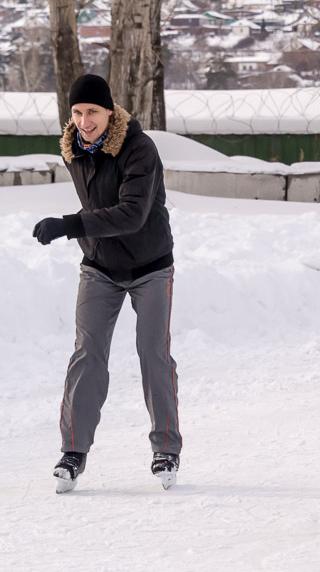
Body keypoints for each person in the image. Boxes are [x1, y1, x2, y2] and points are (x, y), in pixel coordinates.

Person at [32, 74, 182, 492]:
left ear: (110, 111)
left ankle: (166, 449)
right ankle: (73, 451)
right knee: (88, 354)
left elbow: (132, 213)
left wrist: (70, 225)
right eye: (77, 112)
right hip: (99, 264)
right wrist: (82, 232)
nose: (84, 121)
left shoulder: (139, 149)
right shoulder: (74, 150)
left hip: (151, 264)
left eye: (92, 112)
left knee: (153, 353)